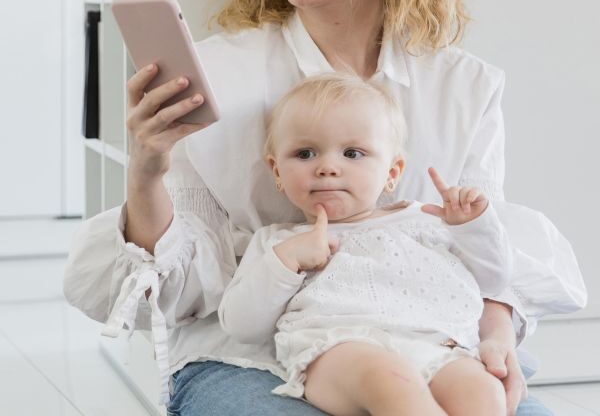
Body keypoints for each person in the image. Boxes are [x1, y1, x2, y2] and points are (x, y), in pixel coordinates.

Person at [63, 0, 587, 415]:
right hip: (248, 354)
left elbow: (482, 247)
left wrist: (495, 336)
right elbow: (184, 287)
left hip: (433, 344)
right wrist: (147, 170)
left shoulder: (462, 85)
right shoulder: (216, 75)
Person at [219, 73, 517, 415]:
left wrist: (473, 227)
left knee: (482, 391)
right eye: (305, 153)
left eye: (352, 153)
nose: (327, 167)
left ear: (392, 172)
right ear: (276, 171)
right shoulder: (281, 242)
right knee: (389, 379)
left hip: (437, 345)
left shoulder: (428, 222)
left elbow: (494, 280)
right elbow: (241, 326)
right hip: (339, 350)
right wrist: (287, 262)